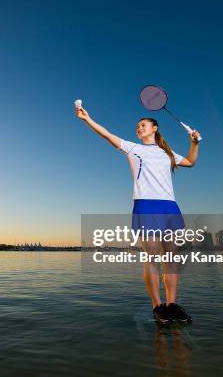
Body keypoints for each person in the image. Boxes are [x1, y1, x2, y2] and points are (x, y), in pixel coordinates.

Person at [76, 103, 200, 323]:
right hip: (146, 205)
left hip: (169, 206)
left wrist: (193, 142)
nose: (138, 128)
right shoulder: (133, 148)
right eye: (137, 126)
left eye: (142, 125)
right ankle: (157, 307)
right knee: (152, 257)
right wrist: (88, 119)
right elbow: (107, 134)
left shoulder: (168, 153)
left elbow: (190, 161)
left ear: (155, 128)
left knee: (171, 257)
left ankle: (172, 305)